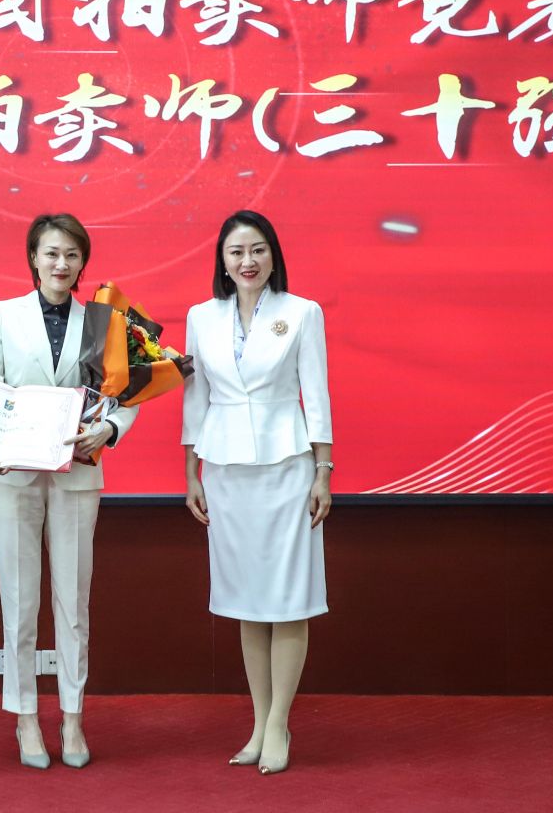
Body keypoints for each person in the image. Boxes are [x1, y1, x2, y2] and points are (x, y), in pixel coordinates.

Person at [0, 212, 136, 769]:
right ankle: (25, 718)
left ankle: (72, 718)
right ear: (33, 258)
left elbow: (125, 395)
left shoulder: (102, 321)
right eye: (51, 253)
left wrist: (110, 428)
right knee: (19, 603)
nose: (61, 263)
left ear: (82, 261)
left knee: (73, 603)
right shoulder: (4, 315)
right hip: (12, 476)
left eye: (71, 254)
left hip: (77, 473)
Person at [181, 209, 334, 776]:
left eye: (258, 250)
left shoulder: (302, 312)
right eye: (236, 252)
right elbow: (195, 398)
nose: (247, 261)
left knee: (287, 597)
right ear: (222, 261)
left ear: (273, 255)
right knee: (247, 601)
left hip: (287, 465)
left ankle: (278, 725)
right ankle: (259, 722)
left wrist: (323, 470)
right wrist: (191, 472)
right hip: (225, 470)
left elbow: (316, 394)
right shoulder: (202, 317)